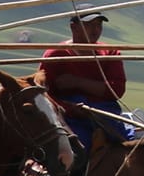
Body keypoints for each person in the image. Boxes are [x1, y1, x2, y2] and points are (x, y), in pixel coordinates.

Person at [42, 10, 133, 148]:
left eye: (99, 25)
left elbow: (117, 89)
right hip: (70, 118)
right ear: (74, 27)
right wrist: (68, 108)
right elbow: (44, 94)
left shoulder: (110, 52)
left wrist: (77, 82)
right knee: (77, 150)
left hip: (106, 114)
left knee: (126, 147)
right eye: (89, 25)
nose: (96, 30)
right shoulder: (56, 54)